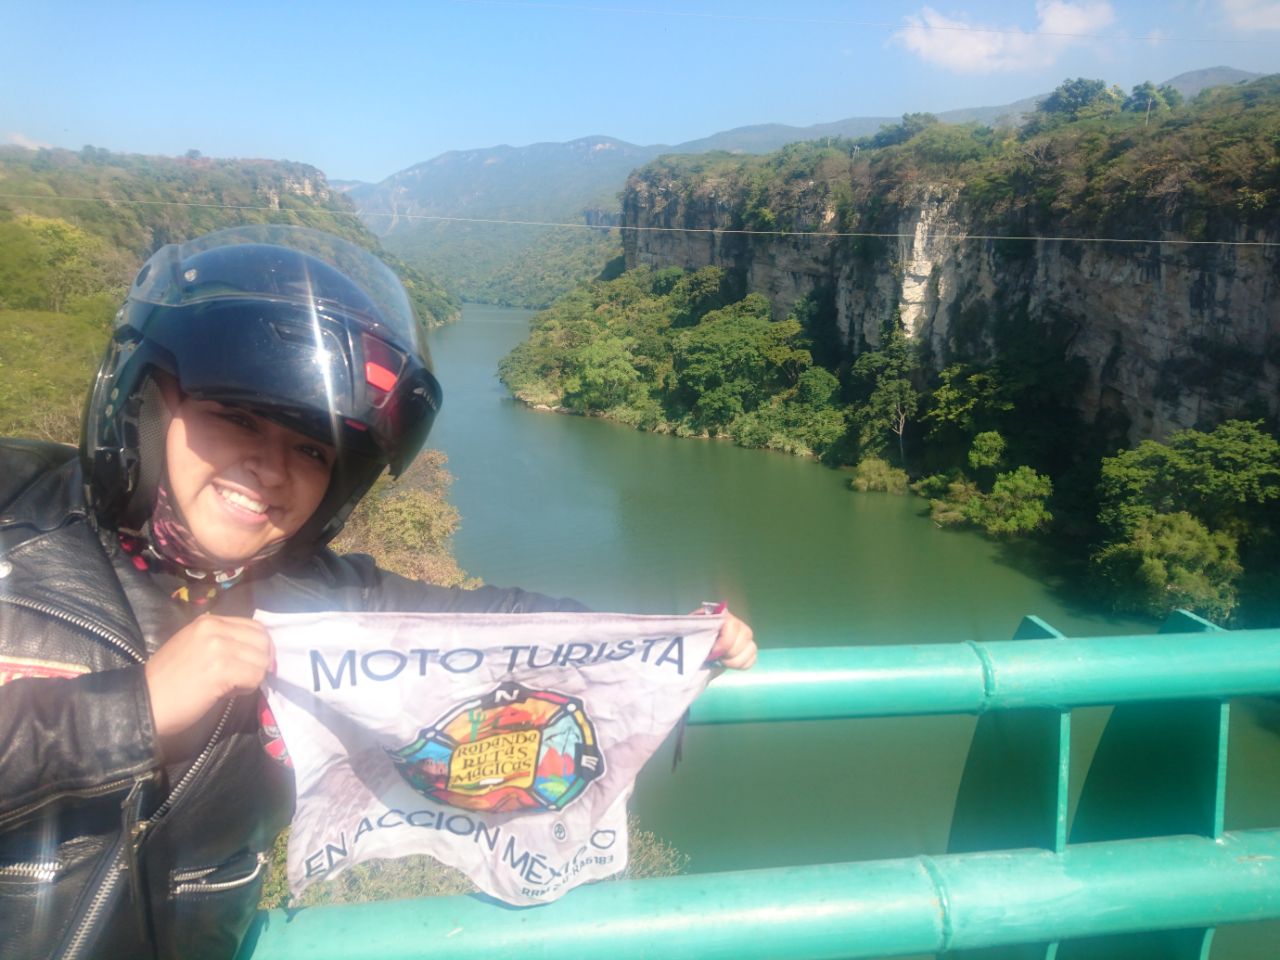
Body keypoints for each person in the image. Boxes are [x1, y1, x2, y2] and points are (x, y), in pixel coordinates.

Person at [0, 226, 756, 960]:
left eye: (309, 448)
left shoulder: (313, 598)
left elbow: (489, 627)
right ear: (144, 405)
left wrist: (669, 639)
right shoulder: (14, 522)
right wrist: (132, 711)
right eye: (234, 418)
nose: (269, 469)